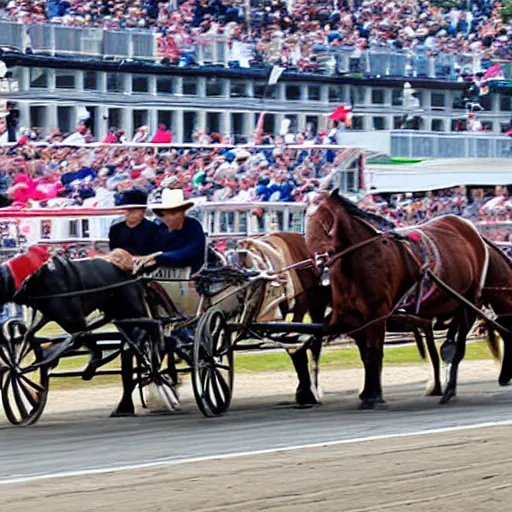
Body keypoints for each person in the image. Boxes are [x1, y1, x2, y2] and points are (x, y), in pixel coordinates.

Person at [141, 188, 206, 272]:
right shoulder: (158, 228)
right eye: (166, 214)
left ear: (183, 212)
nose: (170, 218)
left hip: (189, 272)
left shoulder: (193, 226)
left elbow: (192, 250)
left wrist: (159, 257)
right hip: (160, 273)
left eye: (175, 213)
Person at [108, 188, 160, 256]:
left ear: (143, 211)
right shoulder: (116, 229)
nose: (131, 213)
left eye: (135, 210)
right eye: (128, 210)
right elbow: (113, 249)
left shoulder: (153, 229)